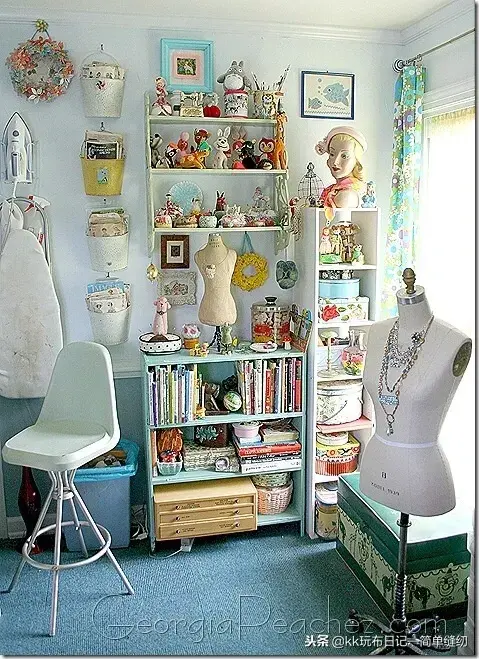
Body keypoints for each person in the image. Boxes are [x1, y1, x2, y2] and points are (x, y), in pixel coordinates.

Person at [315, 126, 367, 220]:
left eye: (344, 156)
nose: (335, 162)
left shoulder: (348, 194)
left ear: (356, 160)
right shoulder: (332, 190)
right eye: (332, 154)